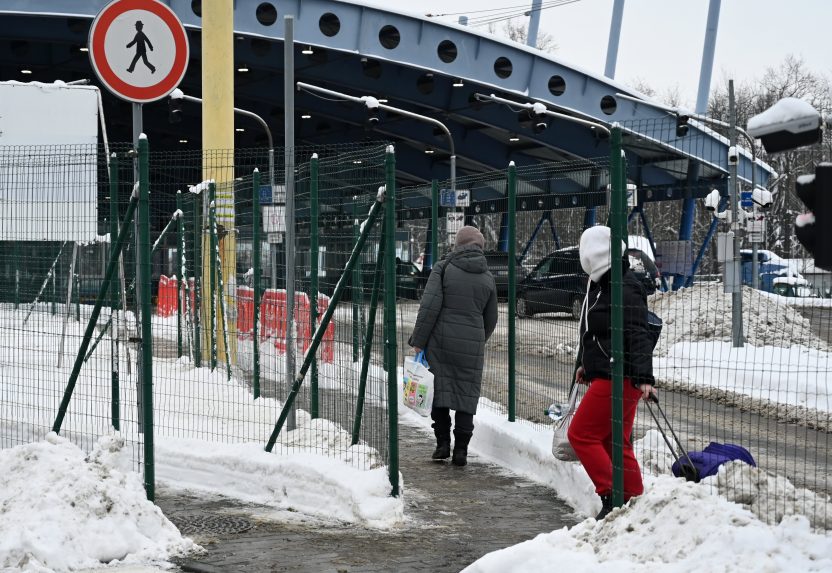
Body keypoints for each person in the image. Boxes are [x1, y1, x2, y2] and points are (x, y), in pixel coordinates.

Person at [567, 225, 657, 519]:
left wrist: (644, 377)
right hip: (607, 371)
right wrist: (585, 364)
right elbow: (593, 332)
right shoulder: (601, 284)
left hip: (621, 374)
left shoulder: (623, 285)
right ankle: (632, 494)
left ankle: (612, 494)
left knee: (580, 434)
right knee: (614, 440)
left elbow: (637, 332)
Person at [409, 225, 498, 467]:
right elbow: (491, 319)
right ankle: (461, 451)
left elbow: (429, 307)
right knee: (465, 398)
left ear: (457, 246)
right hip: (472, 348)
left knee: (440, 393)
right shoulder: (487, 276)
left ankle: (442, 444)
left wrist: (419, 341)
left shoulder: (444, 268)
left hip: (441, 342)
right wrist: (478, 339)